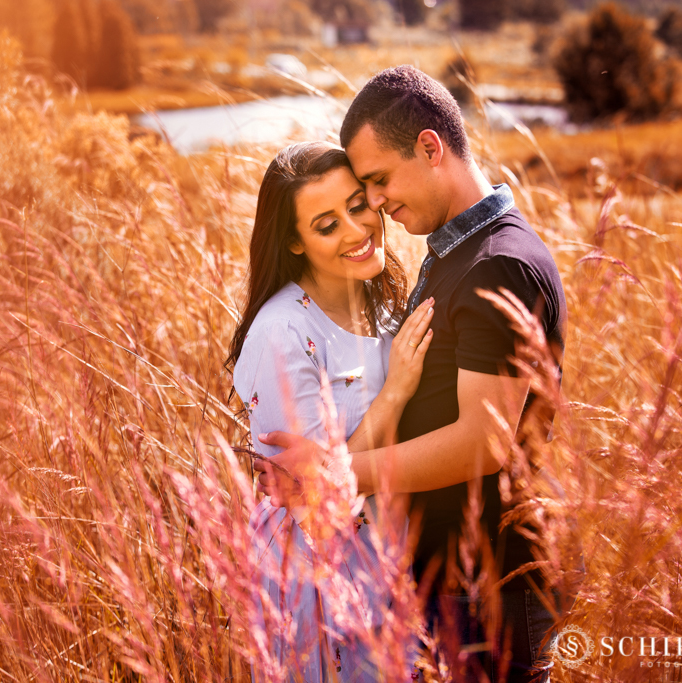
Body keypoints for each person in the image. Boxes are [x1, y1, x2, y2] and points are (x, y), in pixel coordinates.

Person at [256, 66, 573, 683]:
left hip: (493, 584)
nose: (374, 202)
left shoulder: (497, 265)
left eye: (378, 181)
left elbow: (484, 440)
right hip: (451, 578)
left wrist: (338, 474)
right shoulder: (455, 255)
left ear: (431, 148)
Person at [226, 141, 432, 681]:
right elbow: (314, 496)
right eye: (326, 224)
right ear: (294, 240)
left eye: (357, 206)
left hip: (393, 559)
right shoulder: (283, 333)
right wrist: (395, 394)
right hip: (315, 573)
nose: (355, 231)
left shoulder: (386, 306)